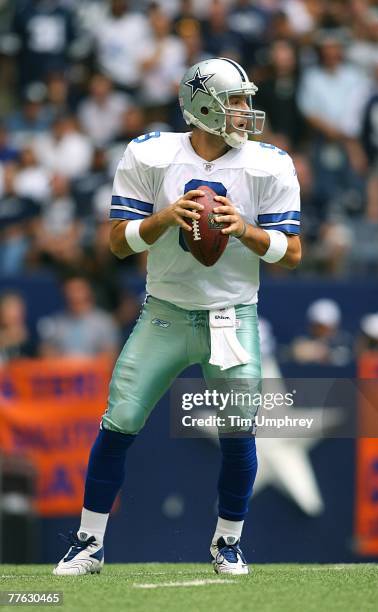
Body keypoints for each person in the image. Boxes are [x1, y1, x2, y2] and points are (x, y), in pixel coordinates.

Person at [53, 57, 301, 576]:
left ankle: (228, 542)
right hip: (165, 312)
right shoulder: (151, 154)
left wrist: (244, 231)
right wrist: (166, 217)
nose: (244, 112)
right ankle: (88, 543)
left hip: (231, 315)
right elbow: (118, 245)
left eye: (244, 101)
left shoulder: (268, 163)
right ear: (203, 105)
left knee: (239, 430)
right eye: (234, 101)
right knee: (119, 419)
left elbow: (292, 253)